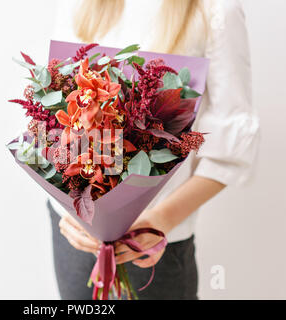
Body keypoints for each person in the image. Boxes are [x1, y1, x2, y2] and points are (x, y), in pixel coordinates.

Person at [49, 0, 260, 299]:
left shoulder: (215, 10)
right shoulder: (79, 4)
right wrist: (68, 208)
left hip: (155, 246)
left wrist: (160, 221)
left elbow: (231, 151)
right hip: (75, 236)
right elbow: (56, 115)